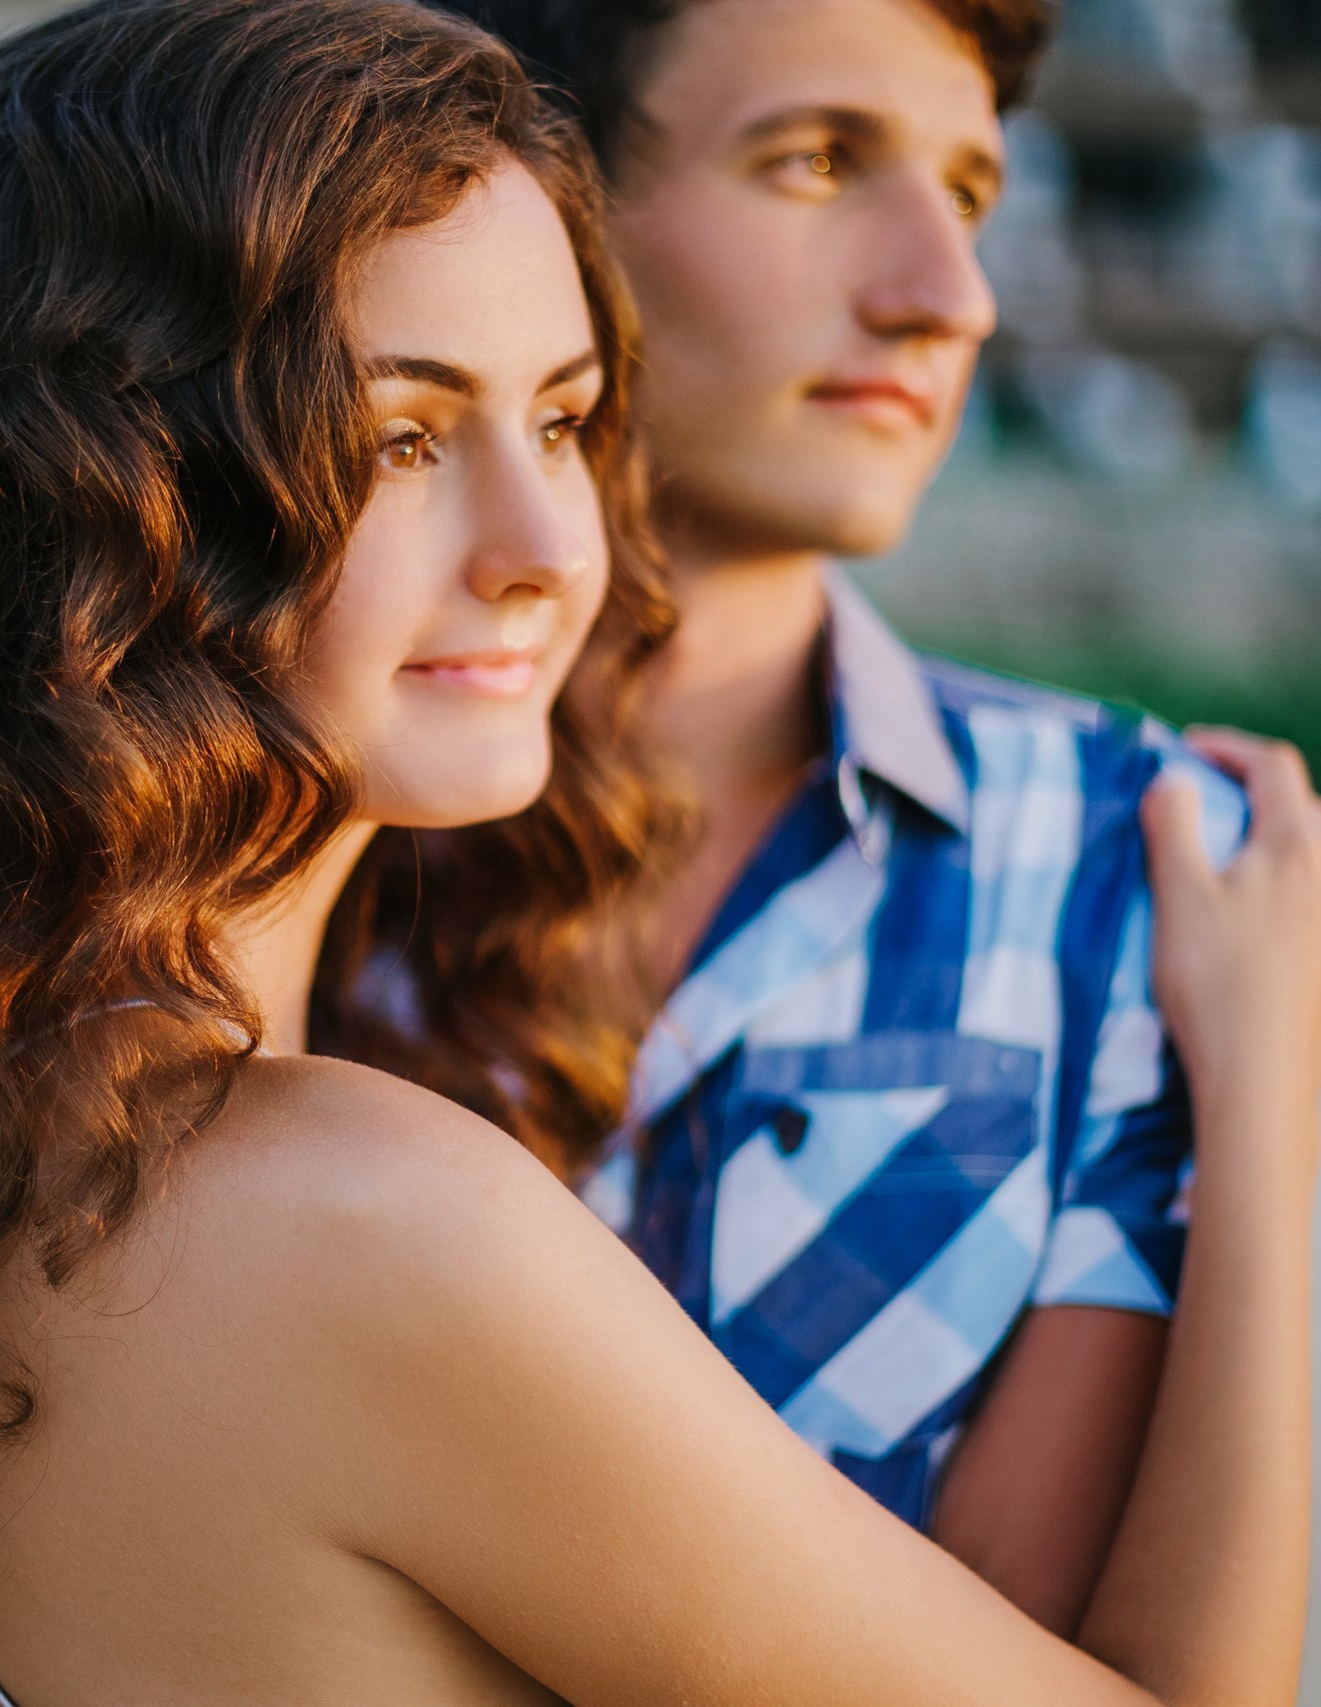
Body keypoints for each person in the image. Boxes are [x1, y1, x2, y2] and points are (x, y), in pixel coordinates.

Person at [0, 4, 1321, 1705]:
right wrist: (1266, 1108)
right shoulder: (374, 1214)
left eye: (567, 422)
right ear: (122, 489)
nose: (545, 546)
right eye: (404, 434)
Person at [412, 0, 1252, 1632]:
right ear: (535, 198)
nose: (949, 298)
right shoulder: (275, 829)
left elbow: (1045, 1639)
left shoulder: (1125, 849)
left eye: (970, 196)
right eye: (815, 159)